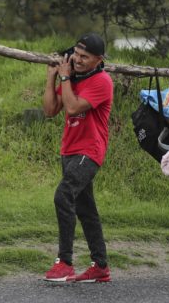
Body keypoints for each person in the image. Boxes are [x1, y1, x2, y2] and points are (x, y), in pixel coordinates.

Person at [42, 33, 113, 282]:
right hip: (69, 150)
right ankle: (100, 266)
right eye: (76, 55)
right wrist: (52, 79)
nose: (78, 60)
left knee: (63, 195)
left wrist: (64, 77)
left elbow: (72, 107)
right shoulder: (73, 79)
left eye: (85, 57)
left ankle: (65, 262)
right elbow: (51, 110)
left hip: (89, 151)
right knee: (86, 209)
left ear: (98, 59)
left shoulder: (102, 81)